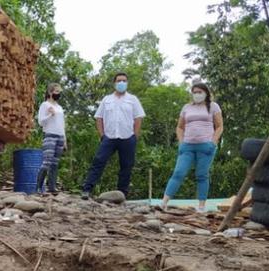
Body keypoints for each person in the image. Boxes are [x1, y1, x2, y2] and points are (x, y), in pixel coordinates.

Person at [81, 72, 146, 199]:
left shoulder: (133, 99)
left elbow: (138, 118)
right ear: (114, 83)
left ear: (127, 83)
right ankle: (87, 190)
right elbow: (99, 118)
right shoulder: (107, 99)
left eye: (124, 81)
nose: (121, 83)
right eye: (119, 81)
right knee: (98, 161)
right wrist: (102, 135)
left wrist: (135, 136)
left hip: (127, 137)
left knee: (126, 166)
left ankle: (122, 194)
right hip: (109, 137)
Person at [160, 83, 223, 212]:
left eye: (200, 92)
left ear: (206, 93)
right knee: (178, 172)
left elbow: (220, 126)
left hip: (206, 146)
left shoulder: (213, 106)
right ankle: (163, 203)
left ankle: (201, 206)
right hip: (187, 146)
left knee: (202, 175)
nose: (197, 94)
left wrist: (213, 142)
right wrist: (181, 142)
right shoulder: (187, 107)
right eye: (194, 92)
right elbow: (179, 127)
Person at [36, 82, 67, 194]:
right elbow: (40, 122)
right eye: (56, 91)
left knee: (55, 163)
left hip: (60, 136)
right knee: (47, 162)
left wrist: (65, 140)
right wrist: (50, 115)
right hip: (49, 135)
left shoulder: (60, 107)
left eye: (59, 92)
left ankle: (52, 187)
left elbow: (62, 124)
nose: (58, 94)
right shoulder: (45, 105)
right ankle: (39, 187)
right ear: (50, 92)